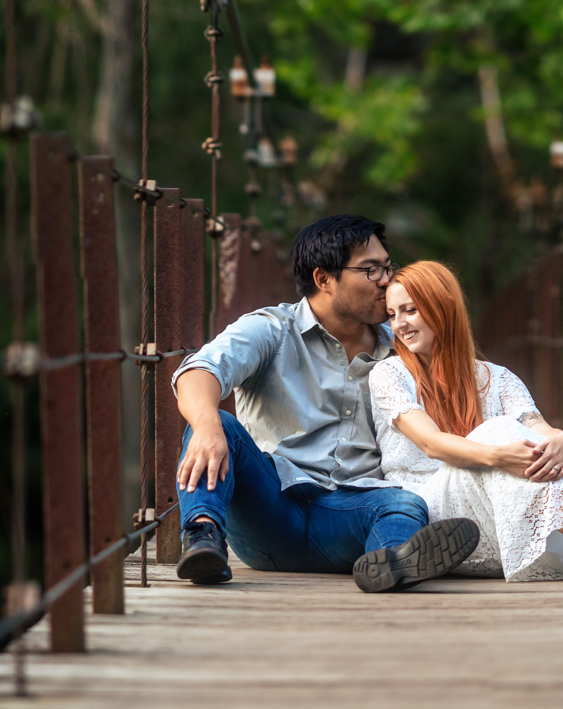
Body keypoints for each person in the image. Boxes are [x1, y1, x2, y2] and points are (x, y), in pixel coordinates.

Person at [169, 215, 480, 593]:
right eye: (370, 270)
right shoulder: (272, 329)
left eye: (386, 266)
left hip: (351, 515)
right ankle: (203, 539)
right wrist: (206, 426)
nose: (386, 280)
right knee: (219, 424)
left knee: (403, 504)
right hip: (270, 511)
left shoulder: (401, 346)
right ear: (323, 280)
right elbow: (198, 371)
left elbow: (465, 386)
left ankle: (390, 562)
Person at [368, 261, 563, 585]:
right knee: (498, 434)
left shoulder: (498, 379)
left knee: (542, 448)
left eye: (410, 310)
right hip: (436, 519)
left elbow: (538, 429)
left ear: (442, 307)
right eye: (393, 315)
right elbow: (431, 444)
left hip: (503, 518)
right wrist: (500, 456)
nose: (400, 325)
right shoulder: (389, 375)